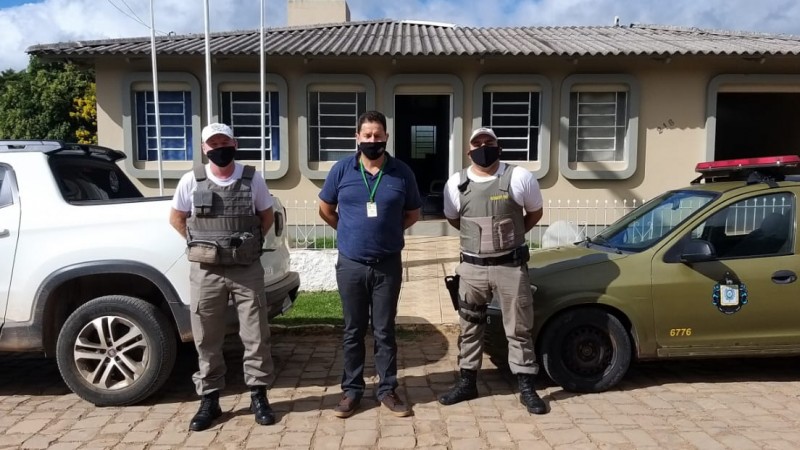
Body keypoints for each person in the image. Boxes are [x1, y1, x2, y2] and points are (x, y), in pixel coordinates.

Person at [169, 123, 277, 431]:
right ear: (204, 149)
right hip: (206, 271)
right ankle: (210, 399)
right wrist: (200, 245)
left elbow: (265, 216)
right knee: (206, 336)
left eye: (224, 142)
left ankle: (258, 395)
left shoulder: (252, 178)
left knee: (256, 333)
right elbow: (177, 218)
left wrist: (247, 245)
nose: (219, 148)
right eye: (213, 143)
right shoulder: (192, 180)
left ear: (235, 143)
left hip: (246, 269)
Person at [318, 110, 422, 418]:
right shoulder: (342, 170)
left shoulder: (401, 172)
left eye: (378, 135)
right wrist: (349, 232)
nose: (372, 140)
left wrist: (387, 233)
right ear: (357, 138)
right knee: (353, 330)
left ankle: (387, 389)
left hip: (387, 265)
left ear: (387, 137)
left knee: (384, 330)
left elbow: (412, 213)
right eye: (367, 135)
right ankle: (351, 390)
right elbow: (325, 209)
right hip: (351, 264)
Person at [439, 126, 548, 415]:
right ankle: (467, 382)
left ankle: (526, 386)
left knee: (519, 328)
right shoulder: (456, 183)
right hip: (472, 268)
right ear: (469, 150)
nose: (483, 147)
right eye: (478, 143)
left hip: (510, 267)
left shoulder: (519, 177)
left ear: (498, 148)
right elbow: (454, 218)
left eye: (489, 142)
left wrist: (511, 238)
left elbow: (534, 212)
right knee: (469, 327)